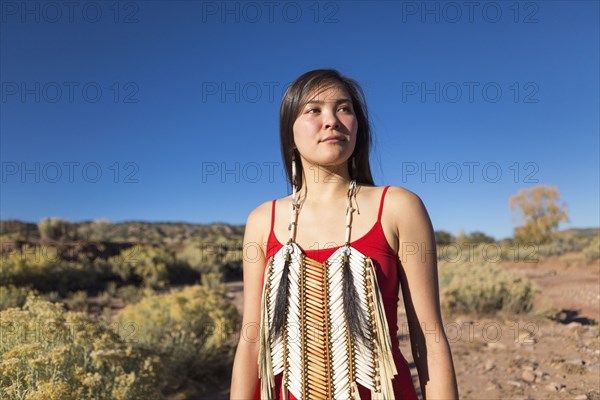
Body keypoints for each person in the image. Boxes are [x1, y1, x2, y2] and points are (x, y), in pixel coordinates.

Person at [230, 69, 459, 399]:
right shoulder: (262, 220)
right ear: (289, 134)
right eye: (313, 110)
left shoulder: (398, 207)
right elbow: (252, 342)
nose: (332, 120)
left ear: (358, 128)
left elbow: (428, 336)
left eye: (344, 108)